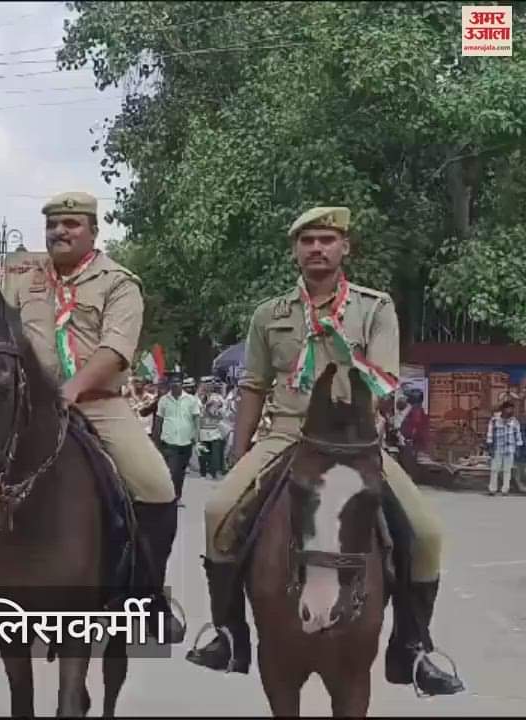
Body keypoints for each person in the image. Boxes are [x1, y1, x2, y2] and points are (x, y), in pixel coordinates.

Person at [185, 206, 463, 696]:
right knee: (217, 511)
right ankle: (228, 632)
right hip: (287, 433)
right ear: (295, 250)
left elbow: (383, 380)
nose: (317, 248)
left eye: (327, 239)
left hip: (355, 441)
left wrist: (337, 339)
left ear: (344, 248)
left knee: (427, 532)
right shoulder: (269, 314)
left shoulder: (374, 309)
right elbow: (253, 384)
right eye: (308, 240)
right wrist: (239, 448)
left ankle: (413, 646)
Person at [0, 191, 184, 641]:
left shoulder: (118, 283)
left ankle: (146, 596)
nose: (60, 232)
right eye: (53, 224)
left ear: (93, 230)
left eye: (71, 224)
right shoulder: (22, 276)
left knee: (156, 484)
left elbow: (115, 349)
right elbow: (1, 329)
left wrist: (71, 390)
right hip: (29, 407)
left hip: (98, 403)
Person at [154, 373, 200, 504]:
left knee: (180, 471)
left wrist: (197, 438)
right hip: (169, 441)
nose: (175, 385)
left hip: (186, 441)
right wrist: (156, 439)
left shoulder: (191, 400)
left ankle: (178, 496)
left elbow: (196, 419)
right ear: (170, 385)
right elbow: (159, 420)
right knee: (172, 470)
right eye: (173, 383)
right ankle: (170, 496)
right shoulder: (164, 400)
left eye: (178, 383)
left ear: (182, 384)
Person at [485, 400, 522, 496]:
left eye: (511, 409)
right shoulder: (494, 420)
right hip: (497, 448)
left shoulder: (514, 421)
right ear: (503, 409)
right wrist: (489, 446)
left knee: (507, 470)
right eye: (508, 408)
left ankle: (505, 490)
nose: (510, 410)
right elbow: (490, 433)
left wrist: (518, 447)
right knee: (494, 469)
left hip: (509, 449)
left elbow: (518, 435)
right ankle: (492, 489)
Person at [198, 378, 227, 480]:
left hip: (215, 429)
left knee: (215, 452)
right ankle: (203, 472)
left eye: (208, 384)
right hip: (202, 429)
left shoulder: (217, 398)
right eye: (204, 384)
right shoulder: (198, 398)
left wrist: (212, 408)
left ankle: (214, 472)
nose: (206, 386)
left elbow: (222, 413)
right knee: (203, 453)